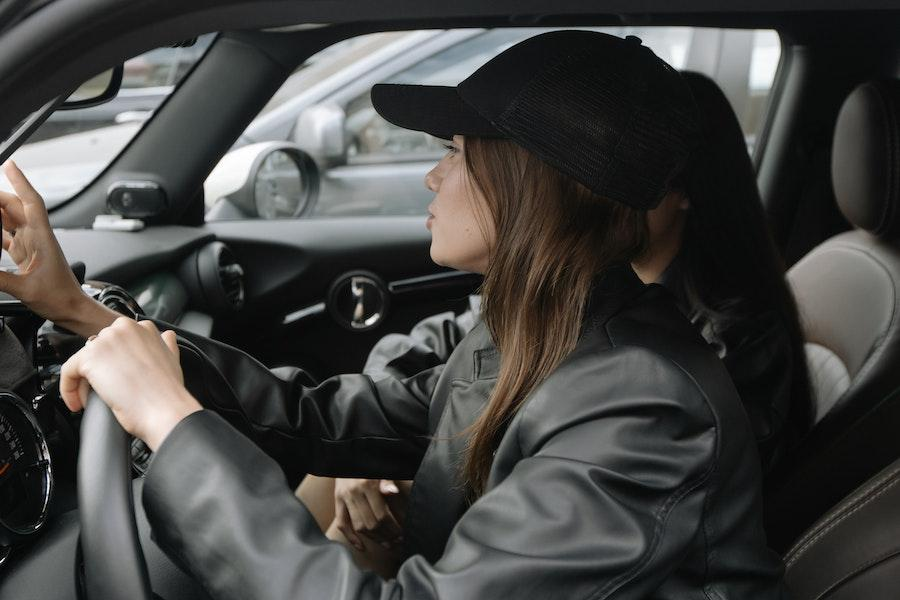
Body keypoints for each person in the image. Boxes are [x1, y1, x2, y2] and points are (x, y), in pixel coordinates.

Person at [0, 31, 788, 599]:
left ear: (530, 188)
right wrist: (78, 310)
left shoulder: (643, 405)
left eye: (455, 152)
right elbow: (323, 416)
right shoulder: (544, 329)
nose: (431, 178)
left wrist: (173, 426)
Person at [299, 71, 813, 575]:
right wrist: (358, 459)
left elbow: (610, 499)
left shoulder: (693, 361)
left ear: (683, 189)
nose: (604, 181)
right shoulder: (578, 298)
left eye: (632, 168)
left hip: (567, 543)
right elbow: (450, 350)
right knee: (339, 483)